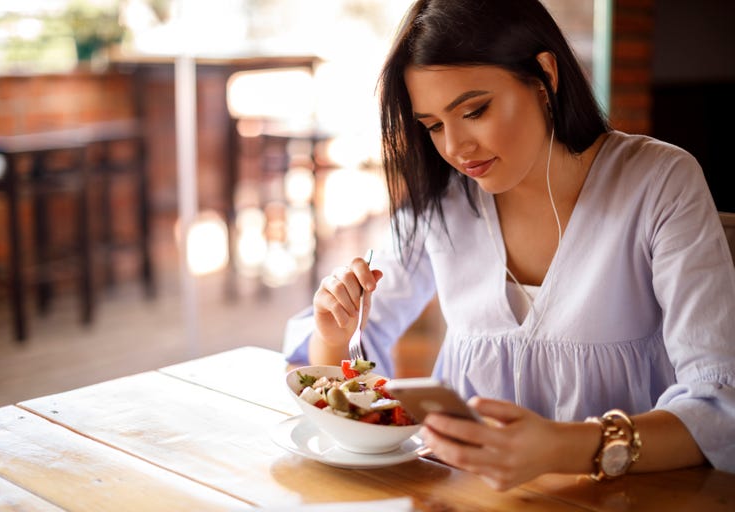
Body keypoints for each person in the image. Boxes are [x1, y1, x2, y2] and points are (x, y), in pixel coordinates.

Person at [282, 0, 735, 490]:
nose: (455, 148)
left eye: (474, 111)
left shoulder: (659, 182)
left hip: (623, 500)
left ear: (544, 77)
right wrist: (334, 332)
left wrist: (560, 448)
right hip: (462, 496)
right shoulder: (445, 202)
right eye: (433, 125)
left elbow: (720, 408)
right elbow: (348, 366)